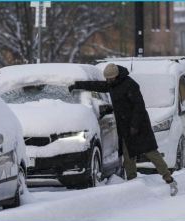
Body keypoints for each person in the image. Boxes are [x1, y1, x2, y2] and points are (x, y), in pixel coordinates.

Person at [69, 63, 178, 196]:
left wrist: (135, 126)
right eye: (107, 79)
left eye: (110, 79)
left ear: (116, 76)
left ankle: (169, 179)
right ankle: (133, 184)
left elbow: (139, 107)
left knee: (151, 154)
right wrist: (78, 85)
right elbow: (98, 86)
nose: (108, 81)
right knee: (128, 157)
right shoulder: (112, 84)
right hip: (126, 128)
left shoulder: (130, 85)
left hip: (140, 127)